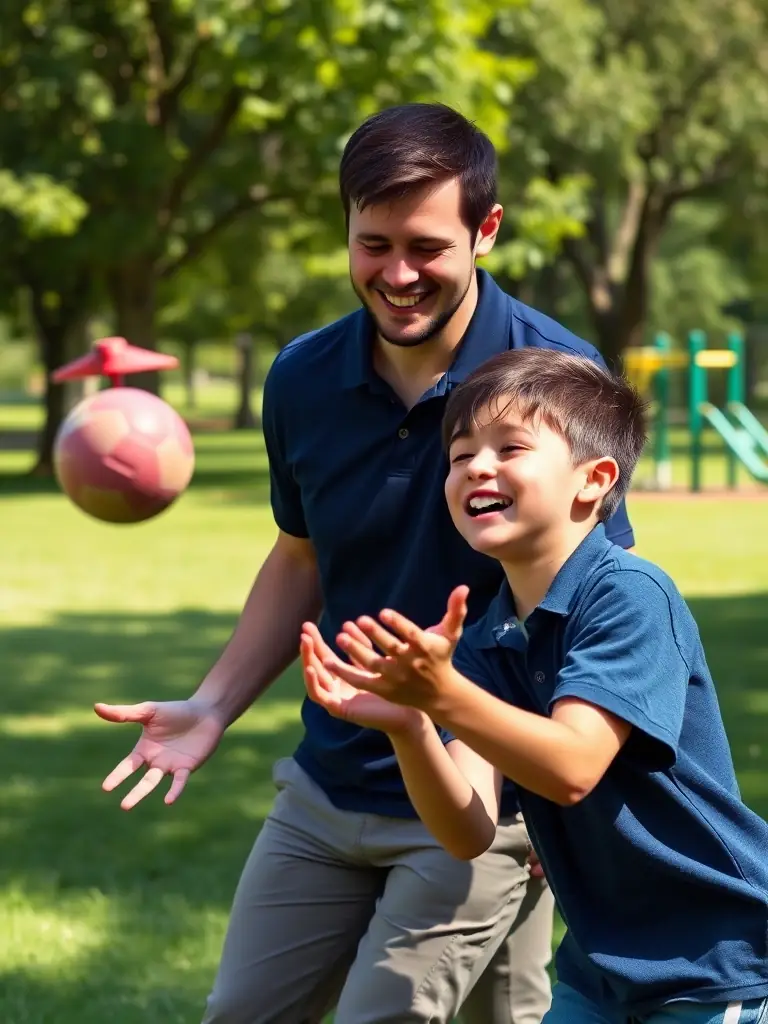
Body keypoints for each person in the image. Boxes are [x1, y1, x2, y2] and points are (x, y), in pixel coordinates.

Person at [94, 104, 637, 1024]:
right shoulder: (302, 378)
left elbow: (587, 602)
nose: (396, 275)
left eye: (426, 247)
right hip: (329, 781)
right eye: (372, 243)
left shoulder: (555, 377)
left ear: (486, 230)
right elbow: (300, 556)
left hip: (482, 796)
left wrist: (546, 786)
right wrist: (213, 705)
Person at [303, 347, 768, 1024]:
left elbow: (573, 766)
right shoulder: (492, 633)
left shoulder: (628, 593)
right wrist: (409, 726)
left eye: (509, 447)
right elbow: (466, 831)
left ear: (594, 480)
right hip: (601, 963)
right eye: (460, 456)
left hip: (710, 957)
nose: (476, 467)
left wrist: (442, 695)